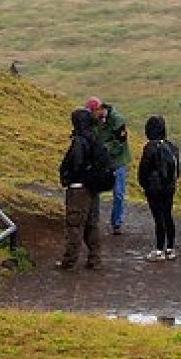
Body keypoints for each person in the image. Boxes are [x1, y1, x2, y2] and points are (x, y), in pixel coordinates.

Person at [56, 108, 109, 270]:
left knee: (75, 224)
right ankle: (95, 259)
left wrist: (68, 176)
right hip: (93, 188)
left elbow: (76, 165)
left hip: (78, 189)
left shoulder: (79, 141)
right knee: (92, 224)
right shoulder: (94, 138)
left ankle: (69, 260)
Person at [137, 115, 180, 261]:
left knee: (158, 218)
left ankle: (159, 250)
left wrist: (144, 184)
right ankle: (170, 248)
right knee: (168, 215)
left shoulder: (150, 147)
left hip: (154, 189)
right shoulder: (172, 146)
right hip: (169, 187)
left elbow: (144, 169)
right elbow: (176, 170)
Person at [86, 96, 131, 234]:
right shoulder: (92, 121)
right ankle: (93, 221)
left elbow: (120, 143)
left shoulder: (118, 120)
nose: (91, 115)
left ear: (99, 109)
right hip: (101, 161)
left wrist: (104, 148)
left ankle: (116, 223)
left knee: (118, 193)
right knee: (94, 191)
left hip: (117, 161)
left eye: (92, 112)